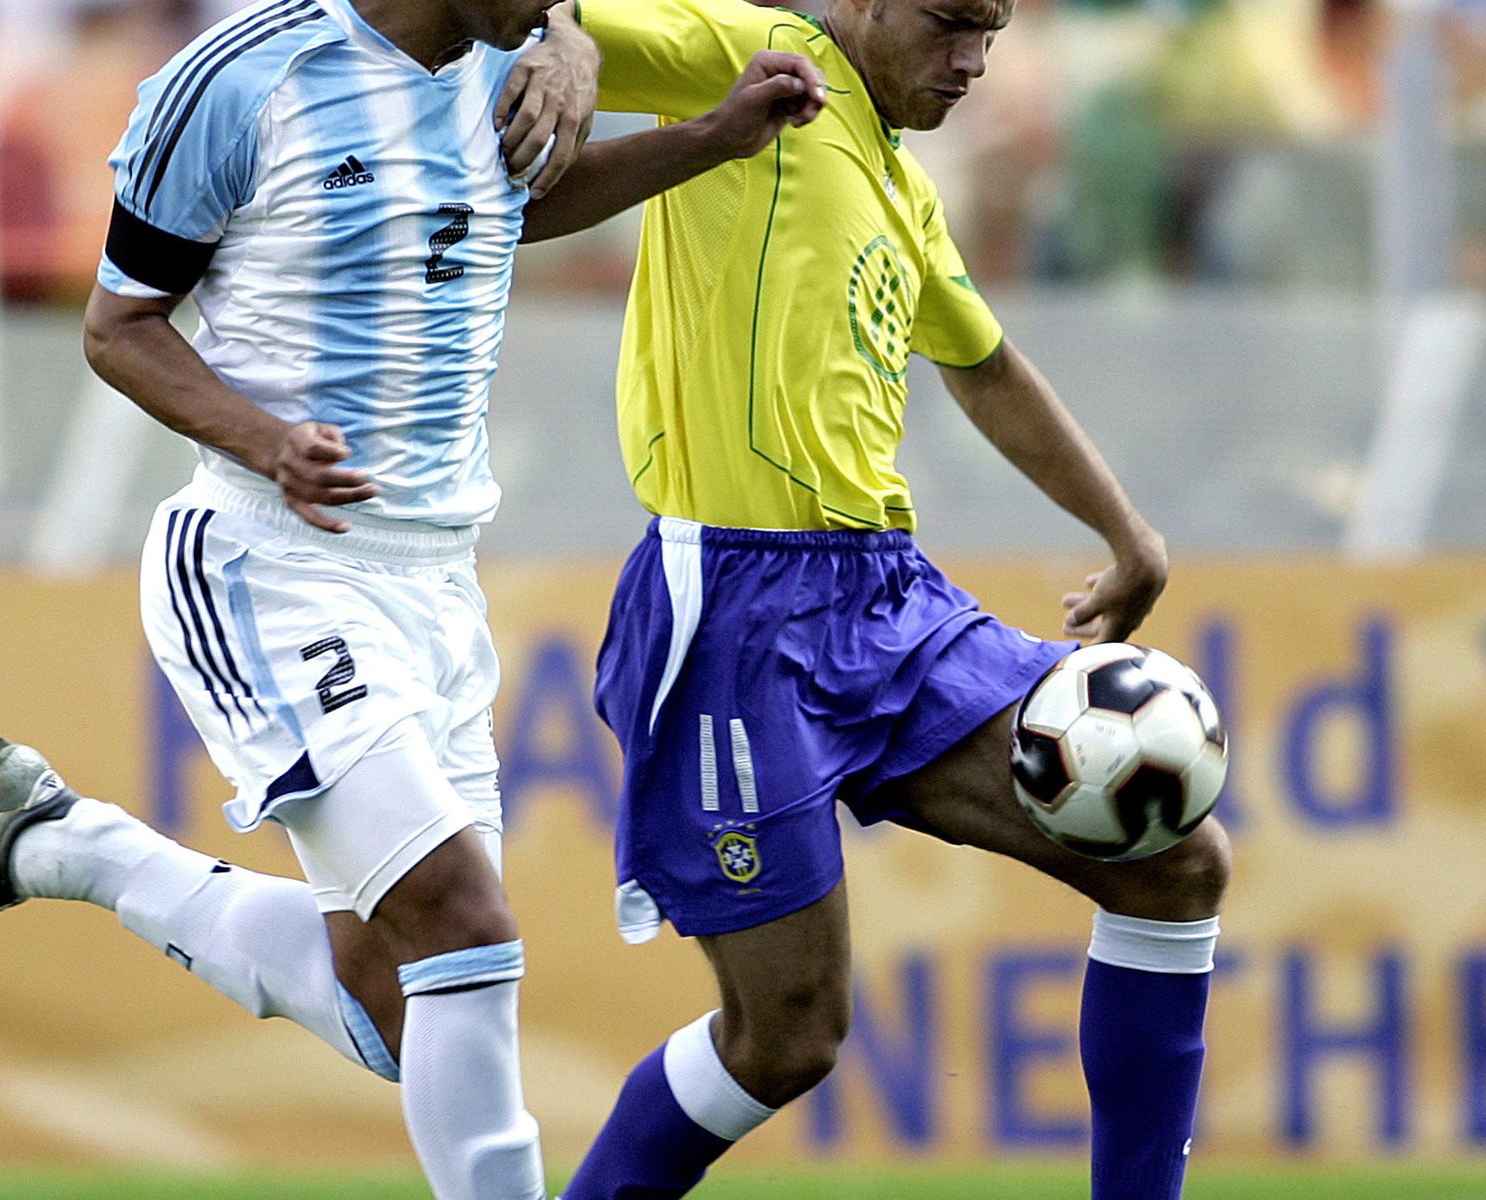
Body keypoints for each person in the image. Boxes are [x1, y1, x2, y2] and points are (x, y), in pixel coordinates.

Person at [0, 0, 825, 1192]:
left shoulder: (508, 58)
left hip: (437, 582)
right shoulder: (243, 79)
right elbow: (120, 325)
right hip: (270, 562)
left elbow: (506, 208)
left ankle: (63, 845)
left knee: (396, 1004)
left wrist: (709, 137)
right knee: (464, 924)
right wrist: (265, 439)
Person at [527, 0, 1233, 1197]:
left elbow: (984, 365)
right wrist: (561, 28)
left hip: (881, 598)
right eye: (949, 24)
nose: (971, 62)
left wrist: (1127, 533)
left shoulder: (902, 185)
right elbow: (534, 21)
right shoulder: (748, 49)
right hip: (732, 614)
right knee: (786, 1038)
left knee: (1176, 862)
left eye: (990, 34)